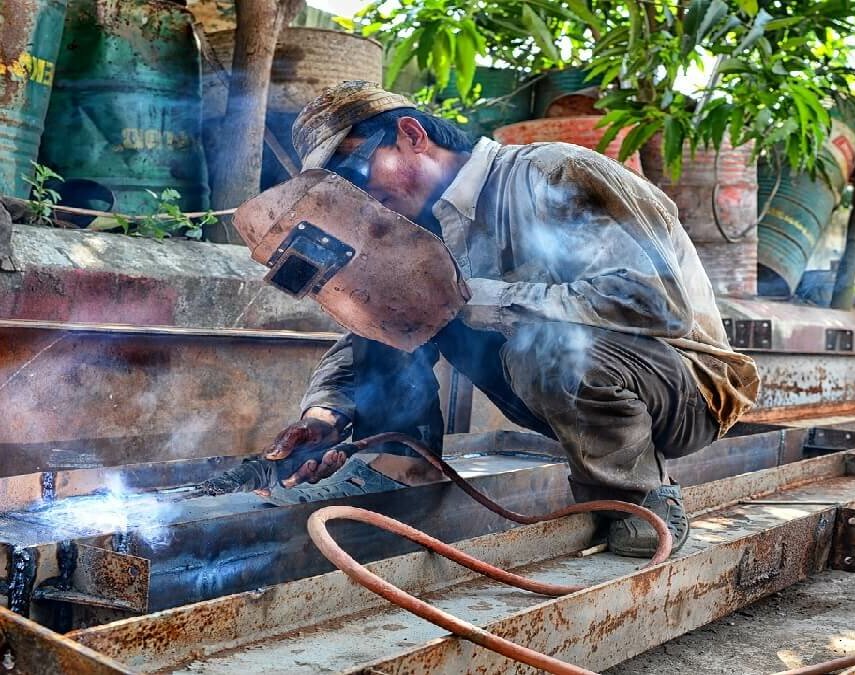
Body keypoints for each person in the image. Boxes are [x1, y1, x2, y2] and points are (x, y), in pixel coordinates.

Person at [258, 80, 760, 557]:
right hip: (566, 387)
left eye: (356, 173)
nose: (358, 195)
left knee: (538, 344)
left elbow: (657, 303)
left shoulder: (553, 173)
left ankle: (638, 497)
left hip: (685, 388)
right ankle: (400, 463)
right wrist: (325, 414)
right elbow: (373, 335)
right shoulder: (421, 232)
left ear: (412, 135)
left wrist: (481, 298)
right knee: (392, 300)